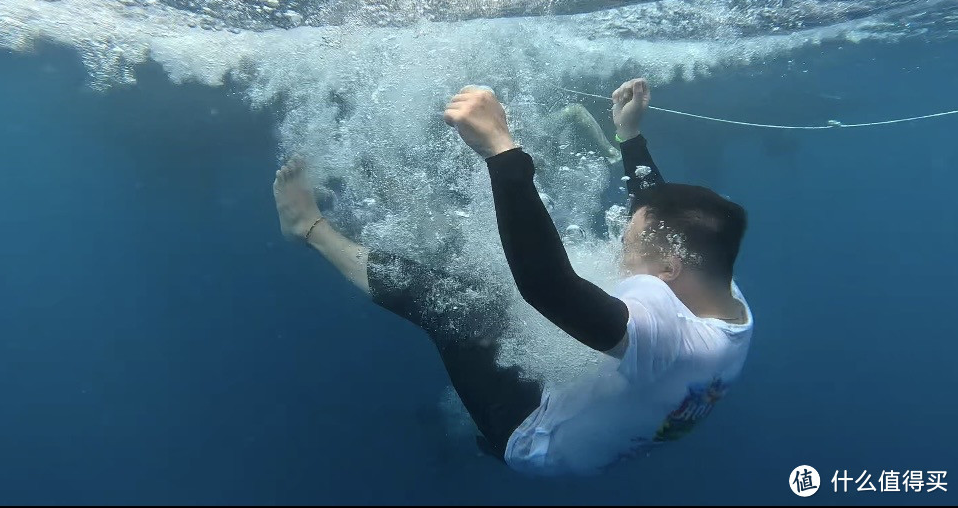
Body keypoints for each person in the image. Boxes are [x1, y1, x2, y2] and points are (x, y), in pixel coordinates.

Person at [272, 78, 753, 476]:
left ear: (669, 268)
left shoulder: (668, 337)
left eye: (627, 244)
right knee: (495, 271)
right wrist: (630, 137)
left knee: (458, 303)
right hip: (611, 421)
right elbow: (664, 217)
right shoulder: (721, 295)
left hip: (530, 433)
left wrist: (501, 151)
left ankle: (309, 228)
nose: (618, 247)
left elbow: (547, 287)